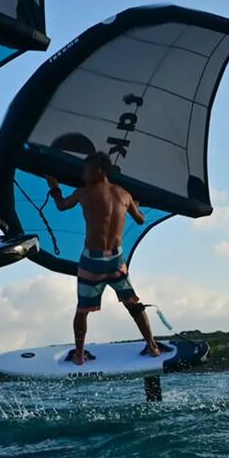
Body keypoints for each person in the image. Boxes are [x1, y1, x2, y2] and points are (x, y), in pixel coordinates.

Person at [47, 152, 164, 364]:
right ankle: (153, 346)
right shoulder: (124, 194)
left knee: (82, 310)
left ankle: (80, 355)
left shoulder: (84, 192)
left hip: (92, 261)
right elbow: (140, 220)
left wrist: (54, 187)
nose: (82, 175)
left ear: (98, 169)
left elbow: (61, 205)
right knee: (133, 304)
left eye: (85, 170)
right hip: (117, 261)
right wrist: (134, 205)